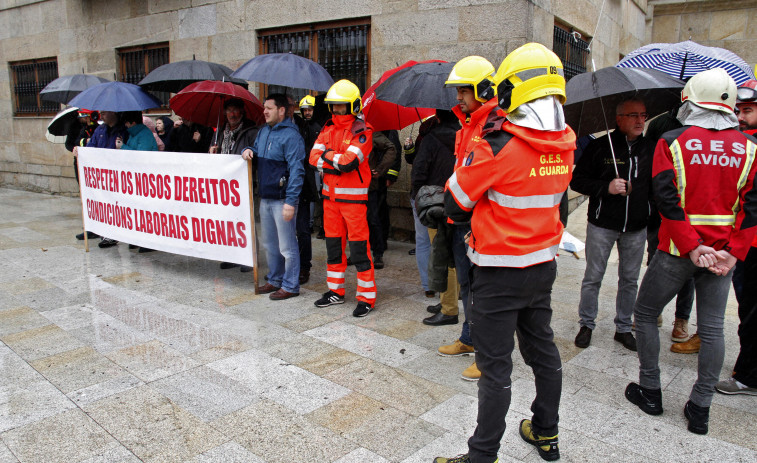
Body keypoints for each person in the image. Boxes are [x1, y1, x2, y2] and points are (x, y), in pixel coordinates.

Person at [434, 42, 576, 463]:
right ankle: (546, 434)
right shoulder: (566, 144)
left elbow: (455, 204)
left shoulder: (495, 145)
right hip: (542, 266)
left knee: (496, 368)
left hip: (498, 272)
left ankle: (482, 455)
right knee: (544, 354)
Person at [625, 68, 757, 435]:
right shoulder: (750, 147)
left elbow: (665, 198)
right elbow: (754, 206)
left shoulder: (672, 140)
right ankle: (700, 409)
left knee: (647, 313)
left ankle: (650, 391)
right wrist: (733, 253)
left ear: (690, 99)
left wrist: (691, 245)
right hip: (722, 256)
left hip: (676, 250)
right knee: (713, 328)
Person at [570, 98, 655, 352]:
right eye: (633, 116)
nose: (640, 120)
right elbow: (578, 182)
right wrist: (605, 188)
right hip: (602, 224)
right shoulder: (599, 147)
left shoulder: (651, 147)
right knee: (593, 276)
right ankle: (586, 324)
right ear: (619, 119)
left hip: (636, 227)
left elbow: (658, 185)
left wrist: (643, 200)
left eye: (643, 115)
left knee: (629, 279)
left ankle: (623, 328)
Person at [437, 55, 501, 381]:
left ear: (483, 89)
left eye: (464, 90)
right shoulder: (467, 123)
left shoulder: (495, 125)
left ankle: (487, 353)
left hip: (481, 221)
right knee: (466, 285)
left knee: (481, 289)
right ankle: (469, 338)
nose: (458, 97)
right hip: (461, 217)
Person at [309, 79, 376, 317]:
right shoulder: (327, 129)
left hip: (354, 204)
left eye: (341, 106)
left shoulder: (363, 131)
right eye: (333, 106)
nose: (336, 110)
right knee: (333, 249)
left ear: (353, 106)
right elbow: (312, 158)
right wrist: (335, 159)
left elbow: (349, 163)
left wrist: (328, 158)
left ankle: (366, 297)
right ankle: (335, 292)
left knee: (359, 251)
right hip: (330, 201)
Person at [714, 79, 757, 396]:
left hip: (750, 246)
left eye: (748, 110)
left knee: (752, 311)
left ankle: (748, 376)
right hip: (743, 244)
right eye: (738, 109)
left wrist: (736, 249)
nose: (741, 116)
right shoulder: (743, 143)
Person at [242, 93, 305, 300]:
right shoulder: (263, 131)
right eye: (264, 108)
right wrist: (249, 150)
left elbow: (297, 171)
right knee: (270, 244)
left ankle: (290, 285)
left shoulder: (292, 136)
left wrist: (290, 201)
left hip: (282, 200)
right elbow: (258, 150)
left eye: (269, 108)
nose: (265, 111)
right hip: (266, 197)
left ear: (281, 110)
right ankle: (275, 279)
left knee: (287, 246)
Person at [645, 110, 697, 350]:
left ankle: (681, 319)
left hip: (682, 221)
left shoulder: (684, 150)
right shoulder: (651, 153)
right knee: (655, 262)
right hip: (657, 220)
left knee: (686, 273)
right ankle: (654, 310)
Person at [411, 110, 461, 326]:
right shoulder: (465, 136)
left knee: (442, 256)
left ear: (438, 118)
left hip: (436, 204)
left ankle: (449, 310)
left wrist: (416, 197)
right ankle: (447, 300)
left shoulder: (430, 139)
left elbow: (419, 171)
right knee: (454, 254)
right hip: (460, 200)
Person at [213, 98, 259, 271]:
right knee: (229, 221)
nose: (232, 114)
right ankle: (233, 255)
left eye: (236, 110)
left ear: (242, 112)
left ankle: (251, 258)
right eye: (229, 111)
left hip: (243, 183)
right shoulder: (220, 131)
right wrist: (212, 150)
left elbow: (256, 155)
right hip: (223, 184)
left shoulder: (251, 131)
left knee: (246, 220)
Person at [78, 110, 129, 249]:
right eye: (101, 113)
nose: (102, 116)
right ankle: (105, 232)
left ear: (113, 113)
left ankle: (117, 233)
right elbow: (91, 148)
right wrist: (81, 151)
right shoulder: (100, 129)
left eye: (105, 113)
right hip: (101, 175)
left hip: (117, 173)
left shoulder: (123, 130)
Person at [293, 95, 321, 285]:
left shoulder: (317, 129)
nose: (308, 112)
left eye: (310, 109)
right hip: (292, 182)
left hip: (307, 181)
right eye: (305, 110)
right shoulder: (296, 126)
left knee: (303, 228)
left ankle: (305, 267)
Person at [367, 130, 397, 269]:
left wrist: (380, 169)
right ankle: (359, 252)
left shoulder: (370, 132)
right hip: (352, 187)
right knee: (357, 223)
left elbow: (391, 148)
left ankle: (378, 253)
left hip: (369, 187)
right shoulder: (347, 131)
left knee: (373, 220)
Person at [73, 109, 100, 241]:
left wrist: (85, 142)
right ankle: (90, 227)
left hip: (94, 167)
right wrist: (84, 141)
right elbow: (76, 142)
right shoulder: (83, 129)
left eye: (83, 116)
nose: (81, 119)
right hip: (82, 166)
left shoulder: (98, 129)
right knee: (86, 198)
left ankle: (97, 229)